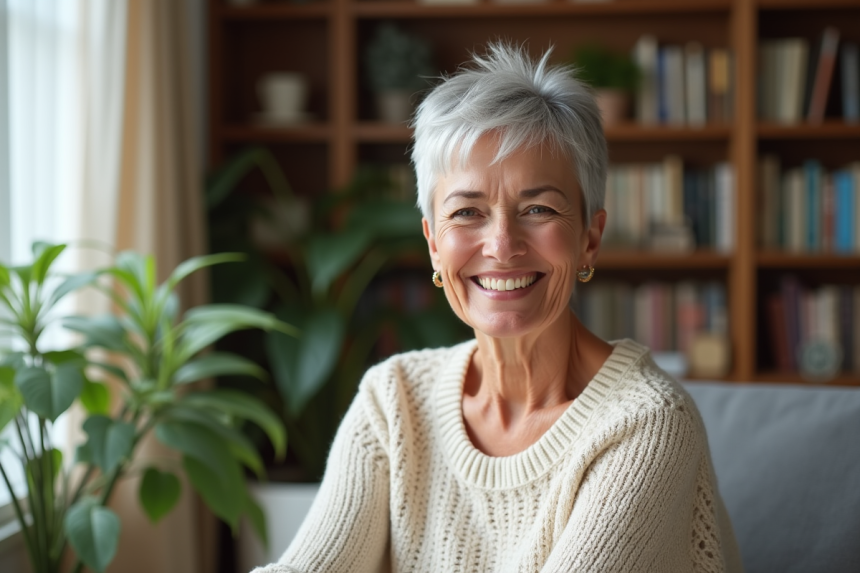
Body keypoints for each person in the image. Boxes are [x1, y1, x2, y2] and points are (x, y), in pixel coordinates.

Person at [254, 43, 742, 573]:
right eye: (467, 212)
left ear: (590, 239)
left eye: (538, 208)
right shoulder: (392, 402)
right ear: (434, 244)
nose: (502, 244)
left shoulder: (646, 424)